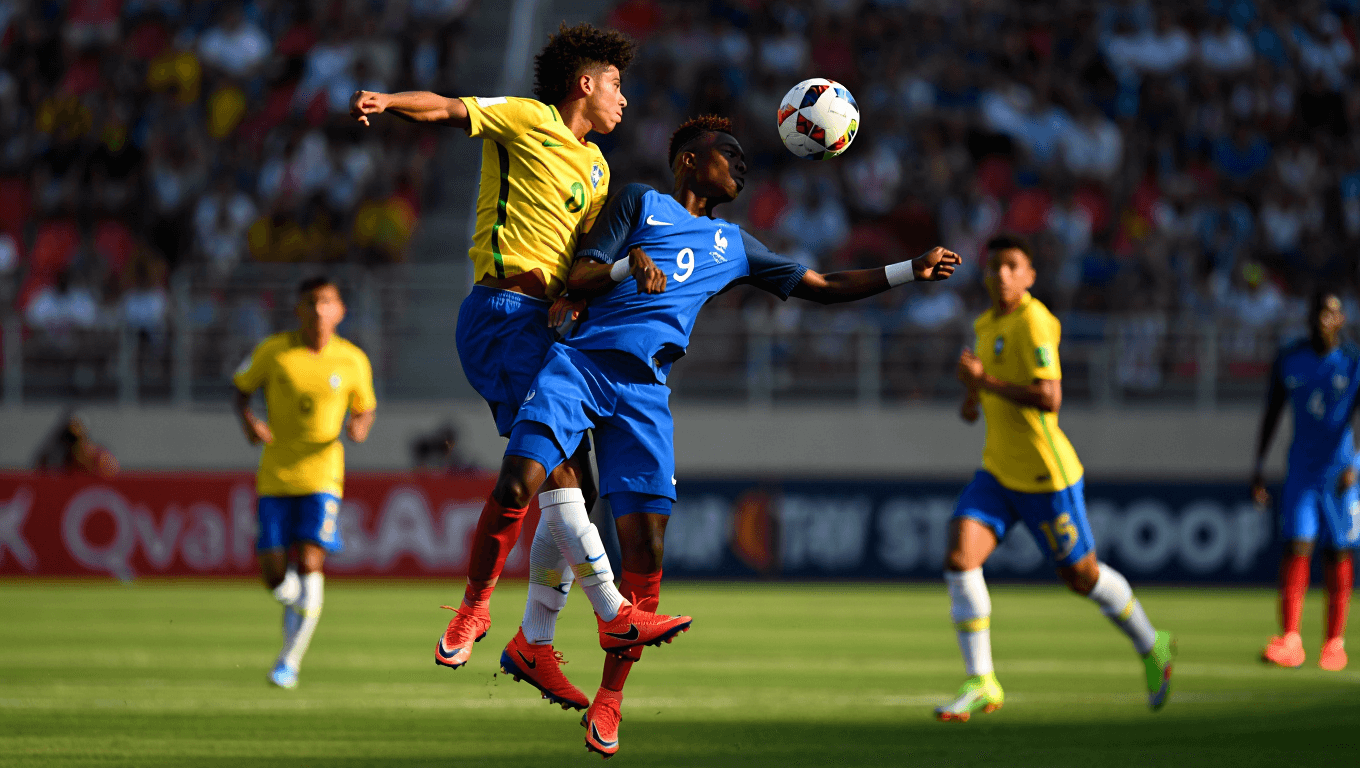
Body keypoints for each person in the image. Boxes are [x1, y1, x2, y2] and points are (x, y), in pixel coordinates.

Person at [497, 115, 958, 757]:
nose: (742, 165)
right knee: (554, 493)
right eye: (728, 153)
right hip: (582, 362)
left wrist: (910, 269)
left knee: (646, 547)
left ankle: (608, 700)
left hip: (647, 391)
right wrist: (613, 277)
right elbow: (580, 274)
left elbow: (819, 287)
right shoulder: (639, 202)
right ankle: (515, 630)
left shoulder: (735, 245)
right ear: (688, 160)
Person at [349, 23, 636, 671]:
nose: (624, 99)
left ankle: (523, 633)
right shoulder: (529, 119)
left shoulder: (597, 167)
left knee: (572, 487)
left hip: (549, 328)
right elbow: (450, 108)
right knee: (554, 472)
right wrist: (391, 100)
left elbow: (582, 263)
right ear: (585, 85)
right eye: (616, 85)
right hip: (503, 316)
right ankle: (606, 613)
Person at [938, 234, 1174, 722]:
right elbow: (973, 411)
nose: (1002, 274)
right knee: (961, 557)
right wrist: (971, 390)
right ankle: (982, 680)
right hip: (998, 473)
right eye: (995, 267)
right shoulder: (984, 325)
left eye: (1012, 266)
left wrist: (985, 382)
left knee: (1081, 576)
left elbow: (1049, 398)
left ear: (1029, 276)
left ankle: (1153, 644)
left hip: (1047, 477)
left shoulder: (1036, 321)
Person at [232, 277, 376, 689]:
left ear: (340, 311)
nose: (318, 310)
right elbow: (239, 389)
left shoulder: (352, 359)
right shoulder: (274, 352)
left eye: (326, 302)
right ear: (298, 309)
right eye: (311, 302)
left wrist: (359, 425)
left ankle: (288, 662)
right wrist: (250, 423)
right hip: (276, 472)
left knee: (311, 562)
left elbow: (365, 407)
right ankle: (301, 602)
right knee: (274, 573)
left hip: (323, 475)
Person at [1251, 290, 1358, 672]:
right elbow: (1272, 411)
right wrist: (1259, 465)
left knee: (1339, 551)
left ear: (1342, 319)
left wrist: (1357, 464)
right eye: (1318, 311)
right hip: (1301, 470)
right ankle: (1291, 639)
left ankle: (1334, 642)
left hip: (1342, 474)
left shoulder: (1353, 360)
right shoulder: (1290, 358)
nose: (1324, 319)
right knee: (1297, 546)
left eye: (1332, 312)